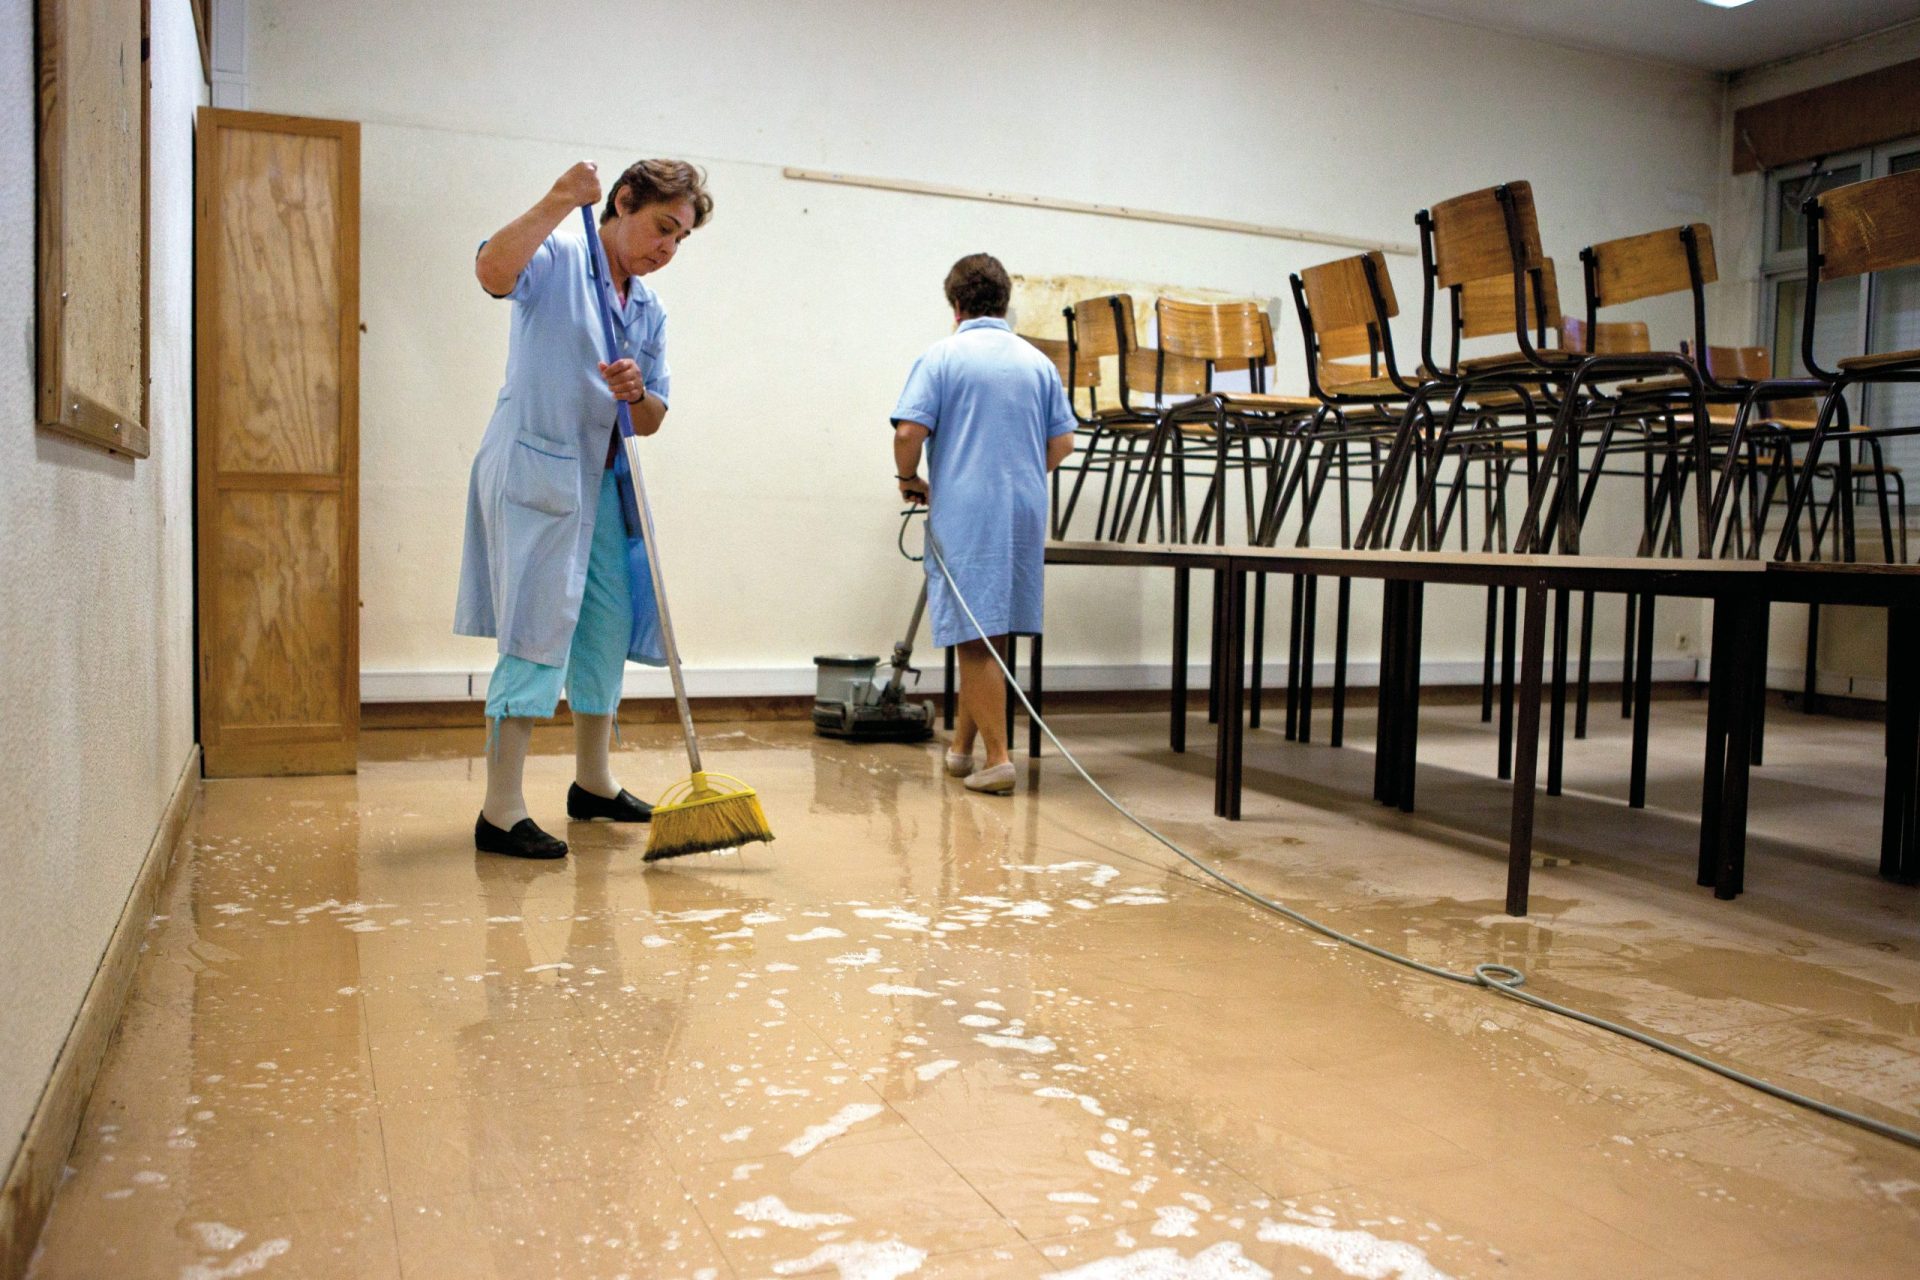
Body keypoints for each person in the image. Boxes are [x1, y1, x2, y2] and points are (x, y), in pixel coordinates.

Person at [455, 159, 713, 858]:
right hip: (539, 473)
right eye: (662, 228)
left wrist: (636, 394)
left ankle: (592, 784)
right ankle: (501, 809)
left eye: (680, 240)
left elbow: (654, 417)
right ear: (622, 202)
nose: (667, 248)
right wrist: (559, 197)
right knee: (535, 632)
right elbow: (490, 273)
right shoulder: (559, 255)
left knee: (604, 627)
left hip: (604, 485)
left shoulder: (649, 310)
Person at [890, 253, 1076, 795]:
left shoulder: (942, 357)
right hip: (1024, 505)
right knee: (990, 625)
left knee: (974, 634)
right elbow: (1062, 442)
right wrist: (1017, 469)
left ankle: (998, 759)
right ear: (1005, 302)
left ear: (955, 305)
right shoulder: (1037, 362)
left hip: (968, 505)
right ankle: (962, 749)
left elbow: (908, 434)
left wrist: (908, 478)